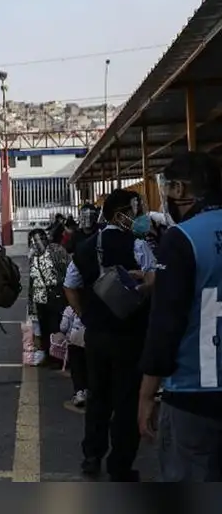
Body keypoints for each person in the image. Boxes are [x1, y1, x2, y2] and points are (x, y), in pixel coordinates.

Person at [138, 152, 222, 482]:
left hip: (193, 390)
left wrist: (146, 394)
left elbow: (165, 324)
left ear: (180, 189)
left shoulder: (183, 238)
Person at [63, 189, 156, 481]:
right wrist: (140, 285)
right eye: (136, 212)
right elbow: (155, 280)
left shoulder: (86, 246)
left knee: (98, 396)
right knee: (127, 400)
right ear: (121, 215)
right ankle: (121, 465)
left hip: (98, 335)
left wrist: (84, 316)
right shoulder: (140, 245)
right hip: (131, 336)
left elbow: (69, 285)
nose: (140, 218)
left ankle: (92, 456)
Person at [27, 229, 70, 367]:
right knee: (44, 328)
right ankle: (48, 355)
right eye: (32, 242)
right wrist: (31, 302)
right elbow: (32, 280)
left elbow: (67, 269)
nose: (35, 245)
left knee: (56, 327)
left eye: (38, 240)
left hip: (56, 295)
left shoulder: (56, 251)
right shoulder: (32, 257)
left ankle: (58, 357)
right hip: (40, 298)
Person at [60, 305, 87, 408]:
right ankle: (88, 390)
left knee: (76, 367)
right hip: (90, 338)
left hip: (75, 338)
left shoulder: (69, 308)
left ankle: (79, 392)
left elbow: (63, 326)